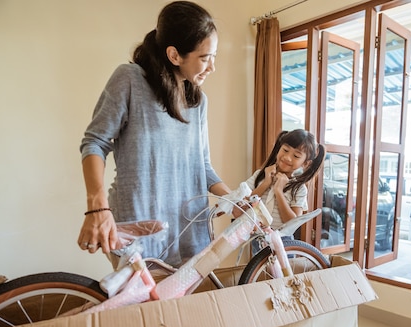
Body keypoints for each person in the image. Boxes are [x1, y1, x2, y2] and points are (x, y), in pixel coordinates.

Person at [77, 1, 230, 268]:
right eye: (205, 58)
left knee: (179, 307)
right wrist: (97, 207)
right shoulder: (130, 80)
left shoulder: (198, 101)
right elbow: (95, 142)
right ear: (174, 55)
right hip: (138, 224)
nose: (212, 67)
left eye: (214, 56)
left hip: (186, 228)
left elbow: (202, 166)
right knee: (143, 308)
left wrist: (234, 198)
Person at [245, 129, 325, 230]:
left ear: (305, 163)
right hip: (256, 238)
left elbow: (292, 223)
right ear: (279, 148)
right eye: (285, 150)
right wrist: (265, 183)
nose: (287, 157)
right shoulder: (260, 175)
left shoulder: (299, 188)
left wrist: (279, 192)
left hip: (283, 241)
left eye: (296, 156)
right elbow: (243, 205)